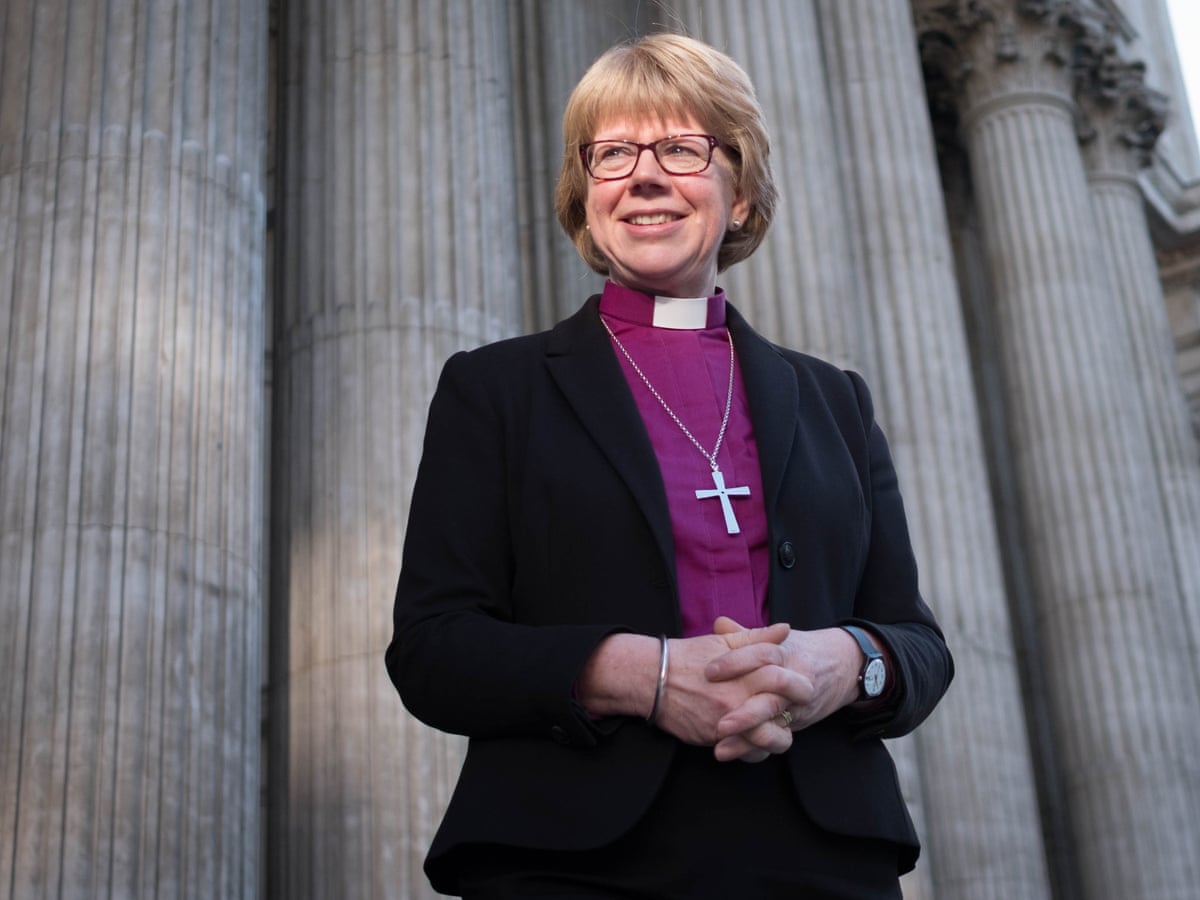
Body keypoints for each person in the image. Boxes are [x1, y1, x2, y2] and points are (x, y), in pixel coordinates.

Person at [386, 32, 953, 900]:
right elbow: (434, 650)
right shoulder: (495, 389)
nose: (644, 176)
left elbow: (916, 644)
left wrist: (841, 664)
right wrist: (645, 678)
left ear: (742, 192)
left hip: (822, 857)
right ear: (586, 199)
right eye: (613, 154)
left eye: (682, 149)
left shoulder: (835, 400)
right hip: (570, 860)